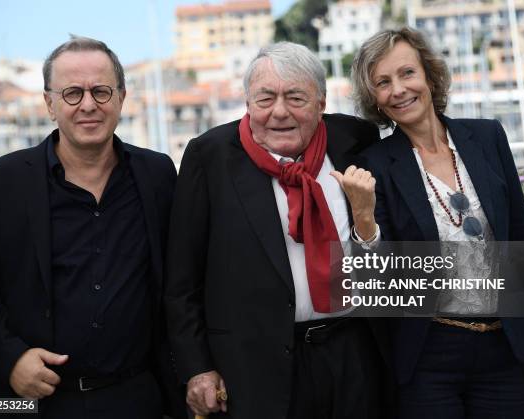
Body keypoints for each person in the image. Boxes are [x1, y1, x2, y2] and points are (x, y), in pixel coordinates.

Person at [165, 42, 394, 419]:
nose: (280, 112)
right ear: (248, 103)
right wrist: (196, 367)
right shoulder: (210, 157)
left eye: (296, 97)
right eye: (265, 98)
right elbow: (182, 280)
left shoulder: (356, 140)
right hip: (254, 368)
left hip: (354, 354)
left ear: (321, 103)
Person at [350, 27, 524, 418]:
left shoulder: (488, 137)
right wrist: (363, 218)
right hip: (428, 356)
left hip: (507, 348)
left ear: (429, 77)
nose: (398, 89)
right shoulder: (374, 165)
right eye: (383, 83)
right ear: (376, 100)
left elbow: (521, 245)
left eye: (407, 74)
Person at [0, 36, 185, 419]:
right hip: (24, 402)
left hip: (136, 398)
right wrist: (10, 358)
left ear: (121, 97)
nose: (88, 105)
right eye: (72, 93)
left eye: (101, 91)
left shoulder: (158, 175)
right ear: (49, 104)